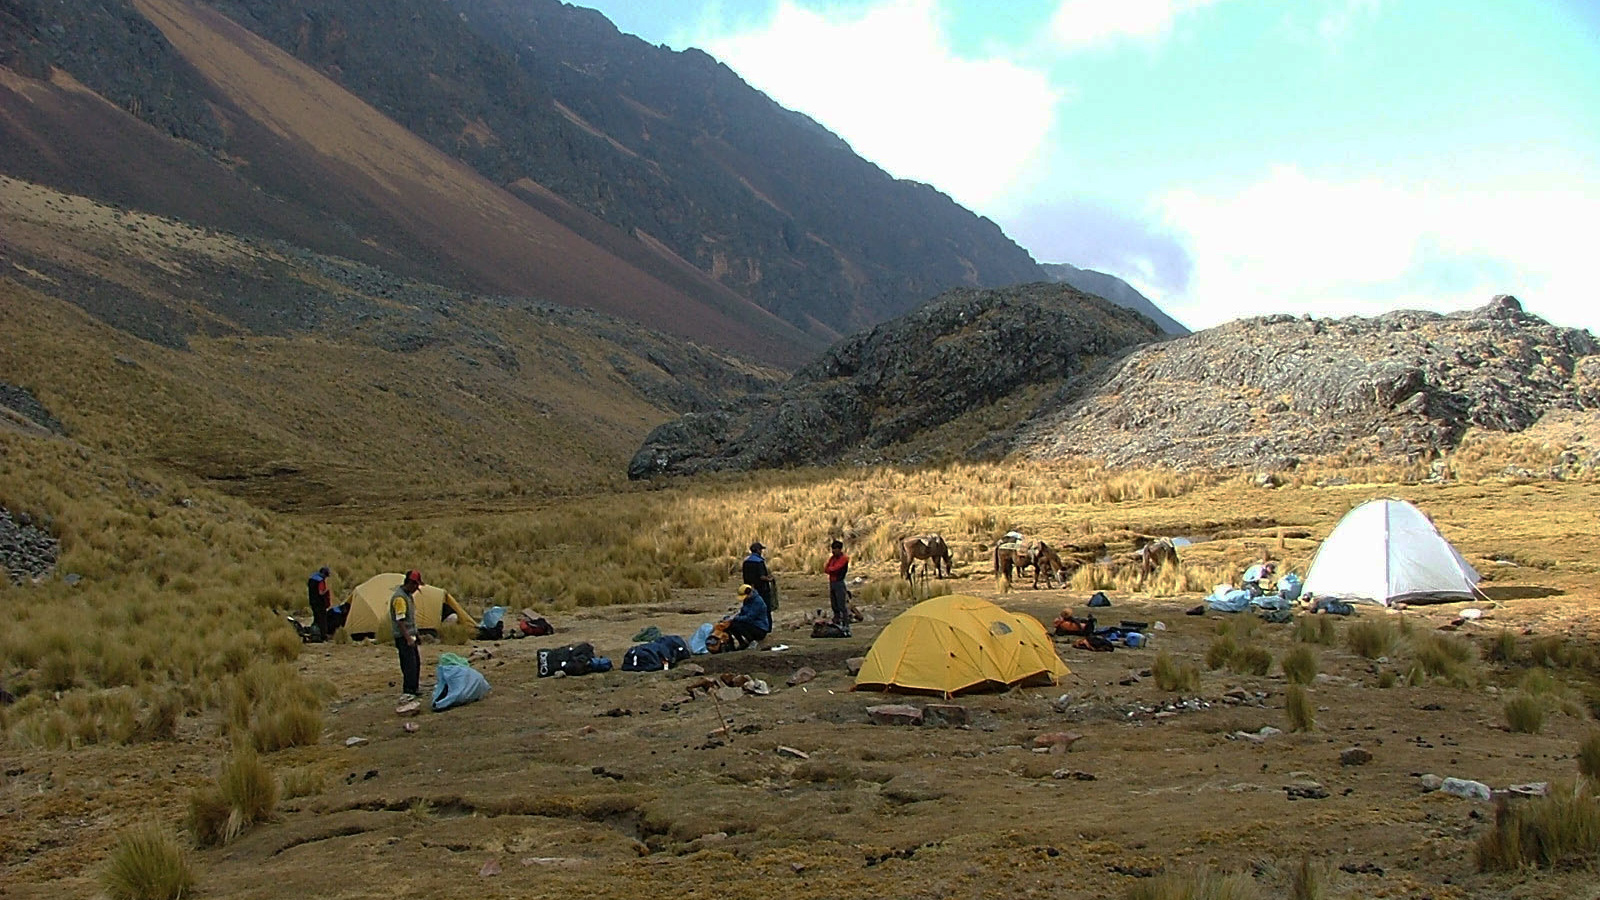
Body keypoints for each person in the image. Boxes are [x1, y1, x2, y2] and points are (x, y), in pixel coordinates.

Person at [391, 569, 423, 701]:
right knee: (409, 664)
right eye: (416, 585)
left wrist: (416, 634)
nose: (417, 589)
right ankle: (408, 690)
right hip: (403, 637)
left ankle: (414, 689)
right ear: (410, 583)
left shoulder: (408, 596)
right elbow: (400, 621)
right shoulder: (400, 598)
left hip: (411, 635)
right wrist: (408, 638)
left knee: (415, 663)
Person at [724, 583, 771, 650]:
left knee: (736, 624)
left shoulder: (758, 602)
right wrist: (731, 617)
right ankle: (741, 643)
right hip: (752, 625)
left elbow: (749, 618)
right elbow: (743, 612)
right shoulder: (748, 600)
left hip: (760, 628)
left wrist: (735, 618)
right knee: (731, 624)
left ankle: (752, 641)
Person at [824, 539, 851, 635]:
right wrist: (831, 569)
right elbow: (826, 569)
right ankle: (837, 623)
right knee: (834, 605)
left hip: (839, 583)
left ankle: (846, 624)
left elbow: (835, 568)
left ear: (839, 549)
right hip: (832, 583)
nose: (833, 551)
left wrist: (831, 569)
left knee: (841, 605)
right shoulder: (832, 558)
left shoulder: (844, 559)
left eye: (834, 549)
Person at [742, 541, 777, 613]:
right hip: (762, 590)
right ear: (758, 550)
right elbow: (762, 577)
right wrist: (769, 579)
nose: (761, 551)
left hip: (748, 589)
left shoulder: (746, 561)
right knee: (765, 610)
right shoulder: (759, 562)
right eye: (760, 550)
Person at [307, 566, 333, 638]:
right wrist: (327, 590)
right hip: (319, 603)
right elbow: (321, 592)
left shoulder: (312, 578)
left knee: (316, 617)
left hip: (312, 600)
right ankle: (322, 635)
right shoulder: (320, 581)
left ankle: (315, 633)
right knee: (322, 618)